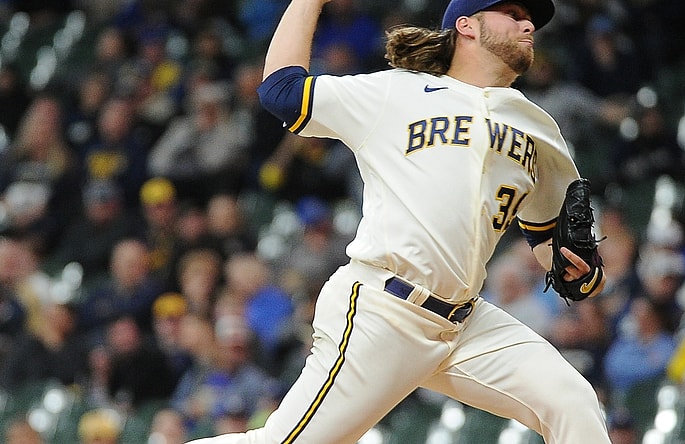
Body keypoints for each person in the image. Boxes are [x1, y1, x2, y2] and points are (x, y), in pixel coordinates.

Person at [188, 0, 610, 443]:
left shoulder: (537, 125)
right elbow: (281, 91)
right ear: (467, 25)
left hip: (465, 323)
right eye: (514, 14)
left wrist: (580, 273)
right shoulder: (396, 92)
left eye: (531, 20)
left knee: (571, 401)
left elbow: (550, 238)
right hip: (385, 309)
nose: (528, 25)